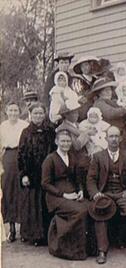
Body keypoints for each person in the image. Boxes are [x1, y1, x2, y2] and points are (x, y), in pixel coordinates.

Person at [87, 126, 126, 264]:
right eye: (111, 136)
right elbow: (91, 179)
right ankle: (102, 250)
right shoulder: (98, 157)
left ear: (120, 138)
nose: (114, 139)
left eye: (116, 136)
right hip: (105, 193)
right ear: (106, 138)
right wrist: (95, 193)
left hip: (122, 193)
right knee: (100, 211)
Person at [41, 127, 88, 260]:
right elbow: (45, 183)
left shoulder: (72, 157)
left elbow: (77, 179)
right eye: (63, 141)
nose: (66, 144)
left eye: (68, 141)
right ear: (56, 142)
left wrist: (80, 191)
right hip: (55, 197)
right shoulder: (50, 159)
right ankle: (64, 247)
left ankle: (82, 247)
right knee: (79, 211)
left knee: (88, 207)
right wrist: (63, 195)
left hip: (72, 194)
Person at [18, 102, 56, 246]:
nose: (38, 116)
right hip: (32, 173)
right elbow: (21, 155)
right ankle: (33, 235)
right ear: (30, 115)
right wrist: (24, 174)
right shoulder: (26, 132)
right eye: (35, 113)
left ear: (44, 114)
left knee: (46, 202)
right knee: (33, 204)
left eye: (41, 113)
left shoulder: (50, 131)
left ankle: (46, 235)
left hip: (47, 173)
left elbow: (54, 150)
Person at [0, 101, 29, 242]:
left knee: (22, 191)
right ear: (6, 111)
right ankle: (12, 229)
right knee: (9, 191)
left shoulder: (24, 125)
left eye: (15, 110)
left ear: (19, 111)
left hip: (22, 156)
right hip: (8, 158)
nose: (13, 113)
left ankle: (24, 230)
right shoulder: (3, 126)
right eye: (10, 110)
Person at [71, 56, 102, 121]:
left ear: (90, 66)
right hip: (84, 106)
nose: (85, 68)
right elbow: (79, 95)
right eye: (82, 66)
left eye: (86, 65)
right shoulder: (78, 79)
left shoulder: (95, 79)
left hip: (96, 104)